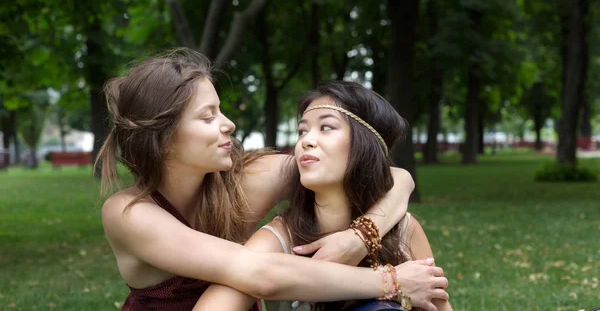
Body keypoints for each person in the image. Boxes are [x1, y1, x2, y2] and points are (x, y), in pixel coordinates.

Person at [98, 48, 448, 311]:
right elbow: (260, 273)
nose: (228, 124)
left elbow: (393, 176)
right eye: (207, 117)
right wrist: (391, 281)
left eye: (221, 110)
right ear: (164, 136)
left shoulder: (247, 180)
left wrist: (361, 236)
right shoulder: (129, 213)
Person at [192, 81, 452, 311]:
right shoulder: (281, 240)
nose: (306, 140)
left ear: (366, 145)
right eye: (302, 131)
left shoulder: (404, 229)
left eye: (326, 127)